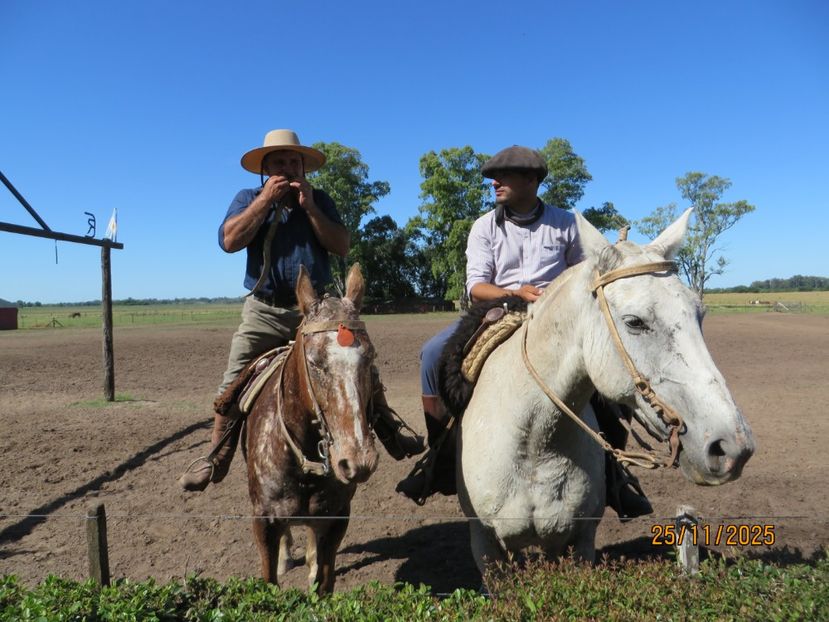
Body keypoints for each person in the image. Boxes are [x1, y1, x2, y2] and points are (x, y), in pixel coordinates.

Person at [397, 144, 652, 519]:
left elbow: (586, 276)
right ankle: (439, 457)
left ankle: (614, 471)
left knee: (605, 365)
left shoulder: (567, 224)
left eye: (503, 176)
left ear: (531, 179)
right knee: (433, 353)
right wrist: (514, 292)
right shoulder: (484, 227)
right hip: (497, 311)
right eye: (492, 178)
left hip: (560, 317)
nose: (494, 183)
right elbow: (476, 286)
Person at [178, 129, 423, 492]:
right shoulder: (247, 198)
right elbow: (229, 240)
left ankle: (388, 427)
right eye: (279, 162)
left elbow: (341, 245)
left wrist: (310, 208)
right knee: (233, 379)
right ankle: (217, 454)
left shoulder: (319, 200)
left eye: (294, 162)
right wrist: (265, 201)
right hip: (265, 310)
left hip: (319, 313)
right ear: (266, 169)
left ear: (303, 167)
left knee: (357, 365)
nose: (288, 168)